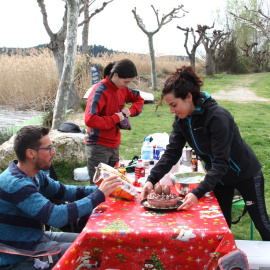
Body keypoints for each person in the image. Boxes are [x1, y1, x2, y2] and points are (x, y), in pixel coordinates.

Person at [141, 66, 270, 241]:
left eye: (174, 105)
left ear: (188, 97)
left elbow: (221, 162)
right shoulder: (181, 120)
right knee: (220, 226)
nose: (172, 111)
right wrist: (151, 179)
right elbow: (172, 153)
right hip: (219, 179)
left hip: (245, 174)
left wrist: (197, 193)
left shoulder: (217, 117)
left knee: (262, 224)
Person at [0, 125, 123, 269]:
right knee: (94, 253)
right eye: (48, 148)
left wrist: (102, 189)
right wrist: (98, 195)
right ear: (31, 154)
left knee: (96, 241)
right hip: (20, 254)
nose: (54, 152)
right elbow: (57, 217)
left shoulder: (34, 173)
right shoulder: (16, 184)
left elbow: (63, 191)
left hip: (35, 237)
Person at [85, 59, 144, 185]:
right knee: (98, 189)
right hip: (98, 146)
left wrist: (131, 110)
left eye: (129, 82)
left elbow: (139, 99)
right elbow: (90, 119)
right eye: (126, 81)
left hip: (115, 144)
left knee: (113, 186)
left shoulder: (122, 88)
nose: (127, 85)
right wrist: (115, 118)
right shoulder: (99, 91)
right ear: (115, 75)